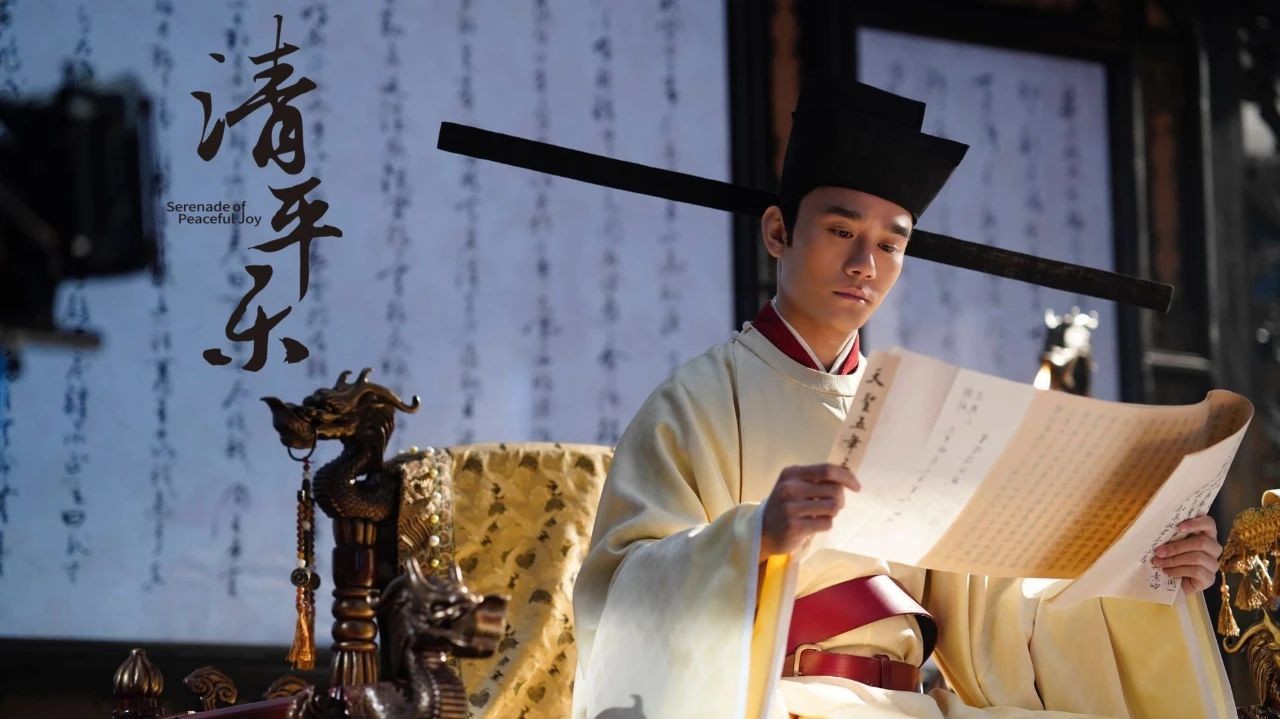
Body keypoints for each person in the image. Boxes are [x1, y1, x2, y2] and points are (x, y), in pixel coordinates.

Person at [571, 81, 1233, 719]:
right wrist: (755, 539)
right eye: (841, 231)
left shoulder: (920, 417)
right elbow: (617, 596)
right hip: (775, 699)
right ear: (778, 232)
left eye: (891, 243)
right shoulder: (697, 402)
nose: (865, 263)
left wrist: (1146, 565)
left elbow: (1004, 622)